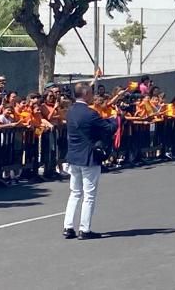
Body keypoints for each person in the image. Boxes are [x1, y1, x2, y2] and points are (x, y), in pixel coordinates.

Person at [62, 83, 118, 240]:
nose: (93, 95)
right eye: (91, 93)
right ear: (85, 94)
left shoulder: (71, 111)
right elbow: (107, 129)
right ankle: (84, 229)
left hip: (74, 156)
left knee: (75, 193)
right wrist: (116, 119)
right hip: (88, 157)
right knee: (89, 195)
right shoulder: (90, 113)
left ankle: (68, 227)